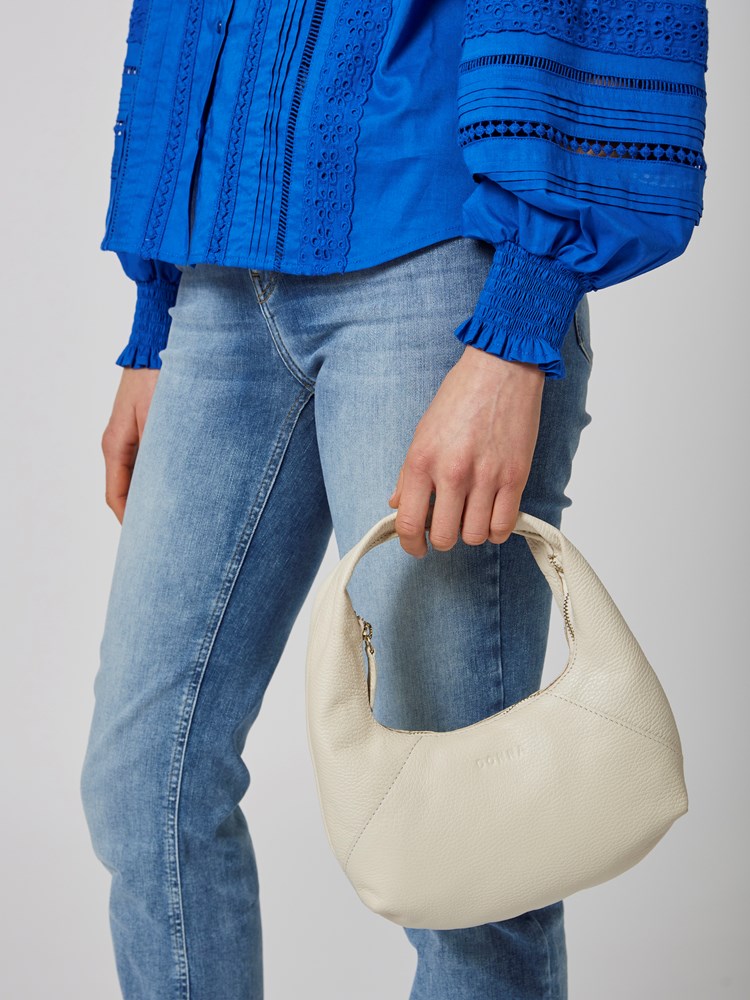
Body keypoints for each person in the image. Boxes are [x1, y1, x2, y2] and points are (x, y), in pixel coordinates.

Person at [80, 1, 709, 997]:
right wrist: (154, 312)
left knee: (463, 849)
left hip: (434, 258)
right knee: (141, 777)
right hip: (215, 273)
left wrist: (519, 321)